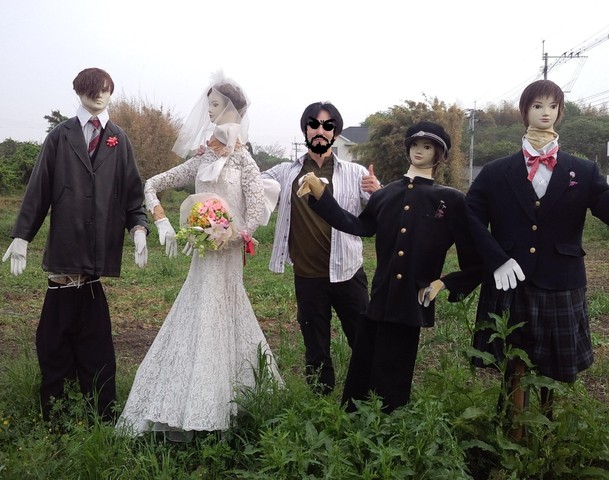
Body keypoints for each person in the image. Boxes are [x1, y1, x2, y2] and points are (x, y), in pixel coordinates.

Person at [116, 71, 281, 441]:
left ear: (234, 109)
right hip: (202, 257)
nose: (209, 111)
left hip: (227, 257)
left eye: (216, 105)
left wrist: (231, 234)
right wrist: (163, 222)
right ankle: (185, 404)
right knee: (197, 318)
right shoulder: (202, 159)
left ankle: (229, 406)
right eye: (208, 105)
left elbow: (255, 212)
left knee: (224, 317)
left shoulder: (245, 163)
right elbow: (152, 184)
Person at [466, 79, 609, 436]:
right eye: (538, 105)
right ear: (524, 111)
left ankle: (545, 429)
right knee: (512, 361)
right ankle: (510, 429)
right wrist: (496, 258)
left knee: (553, 367)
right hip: (510, 278)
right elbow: (471, 219)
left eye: (553, 106)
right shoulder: (495, 172)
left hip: (561, 279)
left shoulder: (582, 170)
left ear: (560, 112)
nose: (546, 113)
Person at [299, 121, 484, 413]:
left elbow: (474, 259)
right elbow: (359, 225)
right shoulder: (385, 195)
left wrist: (444, 283)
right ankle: (355, 415)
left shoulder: (450, 200)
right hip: (380, 293)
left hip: (412, 298)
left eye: (427, 147)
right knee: (365, 358)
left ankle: (389, 420)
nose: (419, 151)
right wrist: (323, 197)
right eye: (415, 145)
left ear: (440, 155)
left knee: (395, 365)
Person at [2, 67, 148, 423]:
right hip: (66, 248)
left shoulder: (119, 139)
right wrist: (22, 235)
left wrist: (138, 228)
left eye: (105, 89)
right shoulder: (60, 136)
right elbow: (39, 188)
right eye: (91, 89)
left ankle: (103, 412)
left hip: (98, 256)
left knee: (97, 344)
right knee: (54, 341)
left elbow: (133, 192)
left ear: (111, 91)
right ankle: (57, 413)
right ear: (78, 91)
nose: (99, 95)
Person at [261, 101, 381, 395]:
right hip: (307, 274)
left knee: (362, 336)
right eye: (313, 124)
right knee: (315, 342)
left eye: (328, 126)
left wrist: (378, 191)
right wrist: (216, 154)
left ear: (335, 134)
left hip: (347, 271)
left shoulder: (354, 172)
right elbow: (249, 182)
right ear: (305, 130)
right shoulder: (285, 172)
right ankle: (320, 396)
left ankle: (371, 393)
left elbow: (380, 213)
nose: (320, 131)